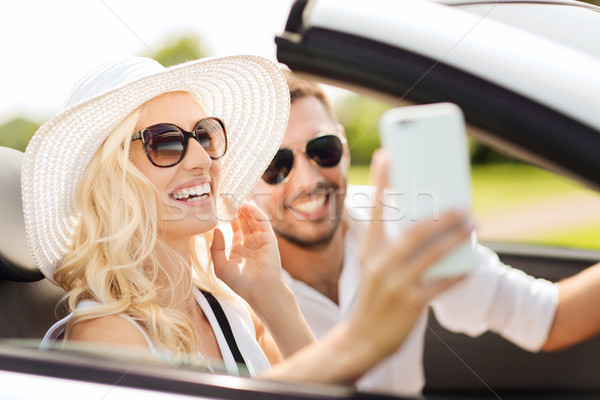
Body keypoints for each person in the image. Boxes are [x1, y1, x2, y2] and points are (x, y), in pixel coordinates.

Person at [22, 55, 472, 385]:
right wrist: (362, 339)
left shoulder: (228, 308)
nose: (200, 157)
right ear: (110, 180)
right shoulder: (105, 337)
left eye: (204, 134)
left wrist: (273, 296)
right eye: (165, 143)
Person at [250, 69, 600, 394]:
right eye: (275, 165)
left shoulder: (402, 222)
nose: (309, 180)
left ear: (343, 144)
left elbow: (546, 318)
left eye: (322, 149)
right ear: (247, 181)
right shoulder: (235, 283)